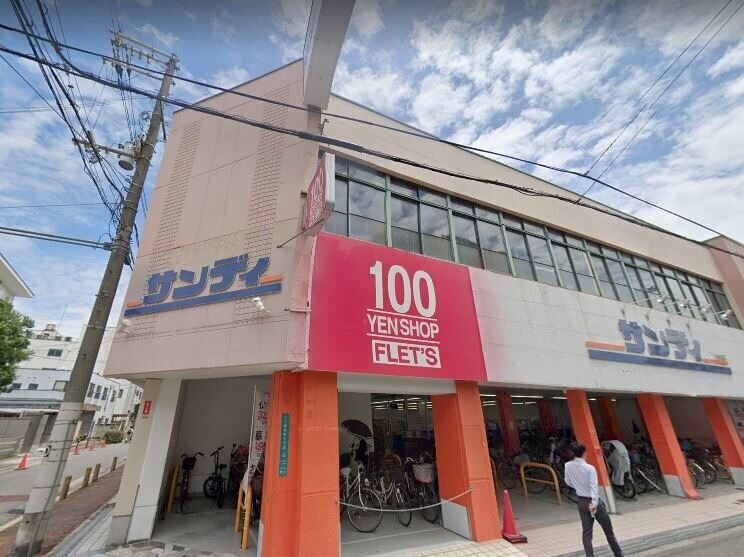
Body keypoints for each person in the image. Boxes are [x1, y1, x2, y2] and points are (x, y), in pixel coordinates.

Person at [564, 442, 624, 557]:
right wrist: (594, 503)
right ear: (584, 453)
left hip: (581, 502)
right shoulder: (590, 468)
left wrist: (579, 487)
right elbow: (594, 487)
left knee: (587, 533)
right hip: (593, 502)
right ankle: (618, 554)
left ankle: (590, 555)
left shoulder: (568, 465)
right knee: (608, 531)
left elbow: (568, 482)